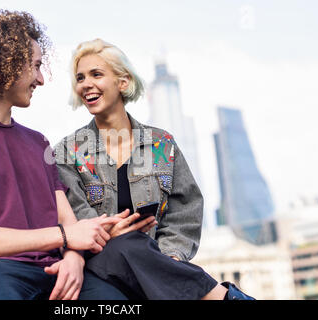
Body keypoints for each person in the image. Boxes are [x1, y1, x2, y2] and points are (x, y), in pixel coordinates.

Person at [0, 12, 127, 300]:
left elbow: (68, 222)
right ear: (6, 65)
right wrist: (65, 237)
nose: (40, 80)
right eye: (36, 67)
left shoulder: (38, 142)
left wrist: (74, 259)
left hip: (55, 272)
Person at [55, 38, 255, 300]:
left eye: (96, 74)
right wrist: (106, 234)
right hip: (101, 265)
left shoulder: (161, 144)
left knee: (135, 246)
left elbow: (185, 210)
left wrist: (169, 257)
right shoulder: (68, 152)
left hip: (156, 265)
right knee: (125, 244)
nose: (85, 84)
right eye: (80, 78)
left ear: (123, 82)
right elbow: (76, 218)